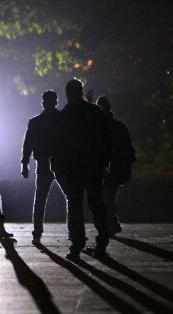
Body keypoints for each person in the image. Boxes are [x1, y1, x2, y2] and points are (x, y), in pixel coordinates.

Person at [50, 78, 112, 259]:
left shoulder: (64, 115)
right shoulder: (95, 111)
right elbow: (106, 139)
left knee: (75, 205)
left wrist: (57, 166)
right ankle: (102, 240)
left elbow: (57, 144)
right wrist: (105, 162)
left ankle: (77, 243)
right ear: (82, 92)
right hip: (92, 166)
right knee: (96, 204)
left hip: (72, 169)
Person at [20, 90, 60, 244]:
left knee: (40, 198)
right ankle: (74, 233)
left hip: (43, 162)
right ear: (56, 102)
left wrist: (24, 164)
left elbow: (28, 144)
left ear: (42, 102)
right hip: (61, 162)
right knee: (71, 197)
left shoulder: (35, 121)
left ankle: (37, 232)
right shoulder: (62, 119)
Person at [96, 96, 136, 235]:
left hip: (113, 168)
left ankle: (112, 224)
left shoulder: (106, 128)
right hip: (114, 168)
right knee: (108, 196)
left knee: (107, 195)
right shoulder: (118, 127)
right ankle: (112, 224)